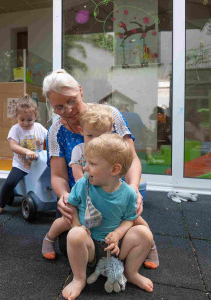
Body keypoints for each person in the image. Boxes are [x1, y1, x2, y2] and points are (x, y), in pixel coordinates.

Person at [43, 69, 159, 269]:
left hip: (113, 190)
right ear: (52, 108)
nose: (69, 110)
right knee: (72, 240)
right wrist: (63, 195)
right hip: (81, 197)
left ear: (80, 91)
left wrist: (133, 188)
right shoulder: (55, 132)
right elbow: (58, 175)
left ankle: (140, 249)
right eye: (59, 107)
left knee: (130, 226)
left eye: (72, 101)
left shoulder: (109, 115)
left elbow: (131, 159)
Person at [62, 134, 154, 300]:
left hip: (116, 248)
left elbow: (129, 219)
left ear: (114, 170)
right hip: (89, 247)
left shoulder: (128, 194)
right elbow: (72, 205)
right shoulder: (84, 184)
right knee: (75, 234)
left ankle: (131, 272)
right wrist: (76, 225)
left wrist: (118, 234)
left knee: (144, 233)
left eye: (92, 164)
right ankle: (79, 278)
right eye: (86, 162)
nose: (86, 168)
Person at [42, 103, 113, 259]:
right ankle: (49, 238)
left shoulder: (112, 151)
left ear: (111, 133)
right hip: (83, 192)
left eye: (101, 136)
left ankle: (148, 245)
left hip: (106, 192)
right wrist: (93, 190)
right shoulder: (79, 150)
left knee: (131, 215)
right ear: (82, 131)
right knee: (68, 218)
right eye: (90, 136)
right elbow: (78, 176)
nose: (95, 141)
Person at [0, 95, 48, 216]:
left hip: (38, 165)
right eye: (22, 119)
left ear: (36, 117)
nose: (25, 123)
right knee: (9, 183)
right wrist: (26, 151)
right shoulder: (15, 130)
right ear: (17, 117)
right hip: (21, 165)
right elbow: (13, 146)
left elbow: (50, 138)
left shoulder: (39, 128)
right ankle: (1, 205)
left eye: (29, 120)